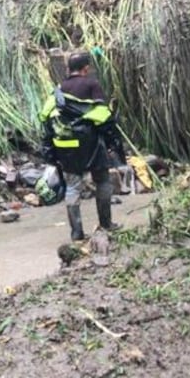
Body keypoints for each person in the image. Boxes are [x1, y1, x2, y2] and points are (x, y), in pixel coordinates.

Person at [38, 51, 125, 241]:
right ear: (86, 68)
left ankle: (76, 232)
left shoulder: (59, 89)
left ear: (69, 69)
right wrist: (113, 142)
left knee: (73, 187)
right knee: (102, 180)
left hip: (65, 145)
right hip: (90, 144)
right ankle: (106, 224)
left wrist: (50, 151)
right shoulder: (91, 84)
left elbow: (45, 118)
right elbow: (103, 117)